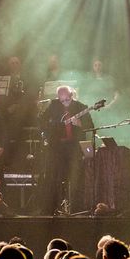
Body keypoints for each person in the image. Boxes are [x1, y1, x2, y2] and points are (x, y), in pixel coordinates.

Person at [39, 85, 91, 215]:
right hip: (57, 147)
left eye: (67, 99)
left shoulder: (81, 107)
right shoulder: (53, 106)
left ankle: (76, 208)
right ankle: (53, 207)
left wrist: (79, 123)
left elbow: (90, 126)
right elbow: (43, 123)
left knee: (75, 177)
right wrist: (53, 128)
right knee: (54, 177)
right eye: (61, 100)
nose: (64, 102)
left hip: (74, 148)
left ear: (71, 96)